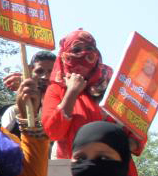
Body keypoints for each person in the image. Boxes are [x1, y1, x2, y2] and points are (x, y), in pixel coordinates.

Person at [41, 29, 113, 160]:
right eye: (76, 50)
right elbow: (53, 132)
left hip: (114, 170)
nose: (84, 54)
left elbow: (134, 132)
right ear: (64, 55)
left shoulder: (110, 86)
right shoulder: (56, 89)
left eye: (89, 48)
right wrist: (72, 92)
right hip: (75, 170)